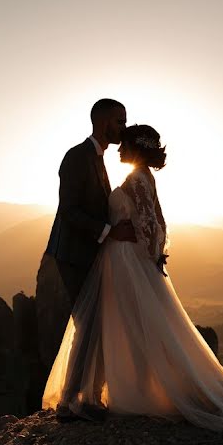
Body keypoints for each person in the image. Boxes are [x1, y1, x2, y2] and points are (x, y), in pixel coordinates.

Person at [42, 124, 223, 431]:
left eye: (124, 144)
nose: (119, 149)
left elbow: (153, 224)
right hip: (119, 260)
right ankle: (119, 389)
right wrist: (148, 250)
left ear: (136, 148)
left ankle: (132, 391)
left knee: (131, 323)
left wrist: (143, 247)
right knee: (123, 324)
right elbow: (156, 220)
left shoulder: (138, 178)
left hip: (125, 261)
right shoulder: (141, 177)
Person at [42, 98, 137, 422]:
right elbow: (68, 212)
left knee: (94, 324)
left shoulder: (98, 159)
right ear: (102, 121)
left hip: (88, 254)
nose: (123, 127)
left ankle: (88, 397)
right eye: (119, 121)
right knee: (87, 324)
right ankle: (70, 403)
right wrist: (109, 232)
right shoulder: (76, 157)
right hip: (72, 255)